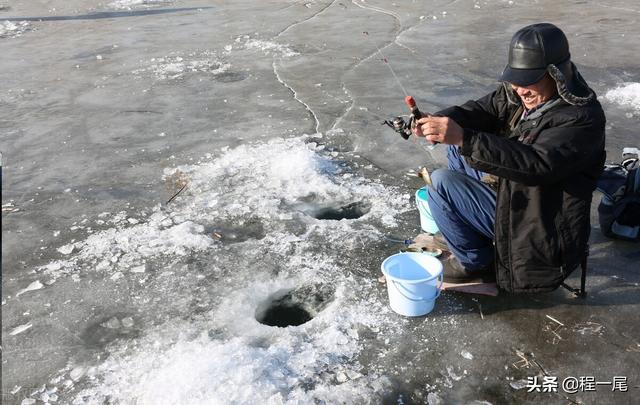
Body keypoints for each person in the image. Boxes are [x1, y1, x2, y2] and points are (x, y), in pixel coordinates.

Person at [412, 23, 606, 293]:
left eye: (530, 80)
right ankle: (479, 240)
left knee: (440, 183)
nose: (520, 89)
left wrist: (463, 137)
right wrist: (440, 123)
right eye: (517, 79)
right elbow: (482, 110)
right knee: (458, 147)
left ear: (557, 74)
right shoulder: (519, 93)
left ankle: (477, 265)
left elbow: (536, 164)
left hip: (540, 229)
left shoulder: (581, 119)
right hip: (520, 201)